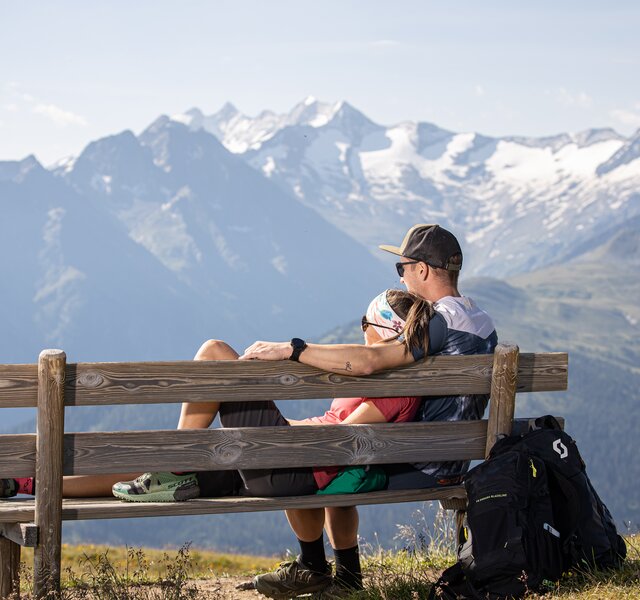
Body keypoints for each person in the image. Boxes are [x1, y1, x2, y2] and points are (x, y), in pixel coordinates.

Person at [246, 224, 498, 598]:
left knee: (320, 459)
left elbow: (368, 361)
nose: (402, 276)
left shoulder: (437, 322)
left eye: (403, 268)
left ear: (423, 271)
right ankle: (343, 576)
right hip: (453, 459)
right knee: (342, 446)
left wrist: (294, 349)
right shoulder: (481, 322)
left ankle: (316, 569)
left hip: (419, 462)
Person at [0, 289, 430, 506]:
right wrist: (295, 428)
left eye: (366, 324)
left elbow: (343, 445)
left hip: (288, 470)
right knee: (133, 476)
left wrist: (288, 432)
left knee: (216, 353)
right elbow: (336, 437)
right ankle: (23, 484)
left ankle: (175, 460)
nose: (362, 333)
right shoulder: (391, 385)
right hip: (287, 465)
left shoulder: (391, 390)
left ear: (385, 330)